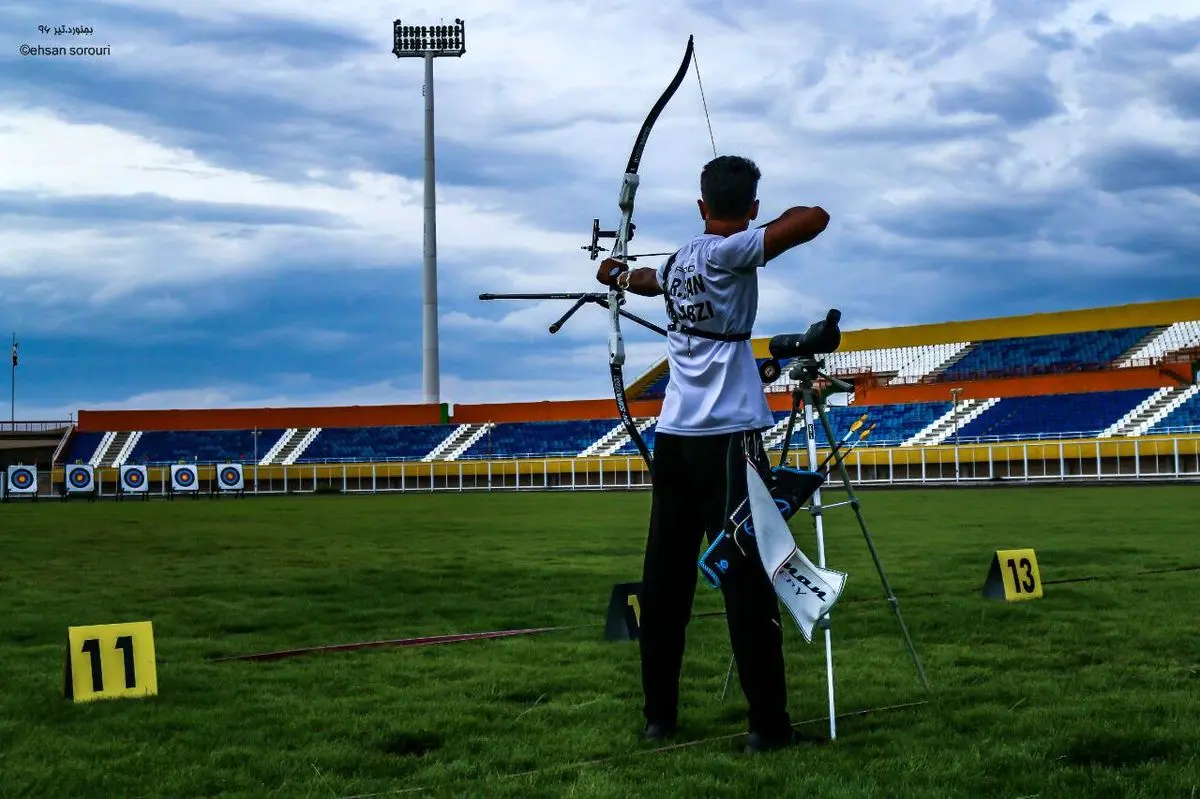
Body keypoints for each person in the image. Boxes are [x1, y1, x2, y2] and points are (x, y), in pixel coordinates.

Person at [594, 154, 830, 752]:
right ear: (748, 208)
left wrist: (619, 274)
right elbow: (814, 217)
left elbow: (650, 281)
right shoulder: (730, 251)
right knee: (748, 583)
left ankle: (659, 718)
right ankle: (767, 729)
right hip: (728, 443)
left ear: (702, 207)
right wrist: (754, 231)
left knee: (665, 582)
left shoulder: (680, 261)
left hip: (675, 440)